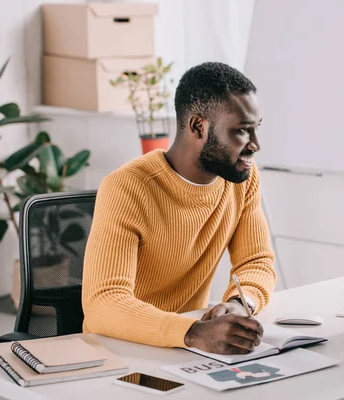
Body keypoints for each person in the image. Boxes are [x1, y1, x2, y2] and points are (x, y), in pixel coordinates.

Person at [82, 62, 277, 355]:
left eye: (256, 129)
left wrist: (239, 303)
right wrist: (192, 333)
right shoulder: (127, 187)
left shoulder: (241, 178)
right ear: (198, 126)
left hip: (188, 349)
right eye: (241, 131)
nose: (255, 145)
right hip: (122, 350)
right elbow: (104, 303)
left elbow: (257, 261)